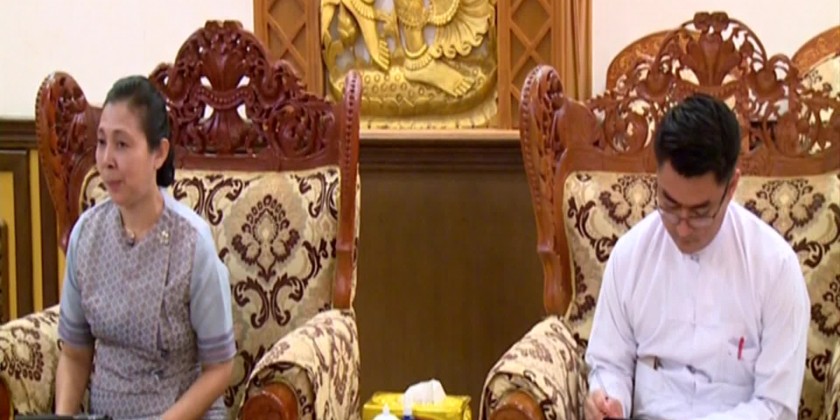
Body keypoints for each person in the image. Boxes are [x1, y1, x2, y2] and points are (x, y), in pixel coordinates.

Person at [583, 94, 810, 420]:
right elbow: (609, 364)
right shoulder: (630, 255)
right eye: (670, 205)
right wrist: (608, 398)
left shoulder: (776, 269)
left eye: (700, 212)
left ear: (731, 187)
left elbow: (776, 407)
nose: (683, 228)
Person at [54, 75, 236, 419]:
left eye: (122, 145)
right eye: (102, 142)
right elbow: (75, 354)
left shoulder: (192, 242)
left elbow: (220, 368)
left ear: (159, 153)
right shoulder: (86, 234)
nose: (107, 160)